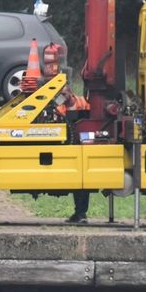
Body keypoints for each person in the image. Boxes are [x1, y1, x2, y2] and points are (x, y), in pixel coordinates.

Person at [58, 83, 92, 224]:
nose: (63, 98)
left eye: (65, 94)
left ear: (71, 93)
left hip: (86, 146)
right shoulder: (60, 108)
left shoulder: (84, 103)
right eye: (61, 95)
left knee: (84, 184)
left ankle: (81, 213)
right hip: (72, 147)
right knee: (75, 183)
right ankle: (79, 213)